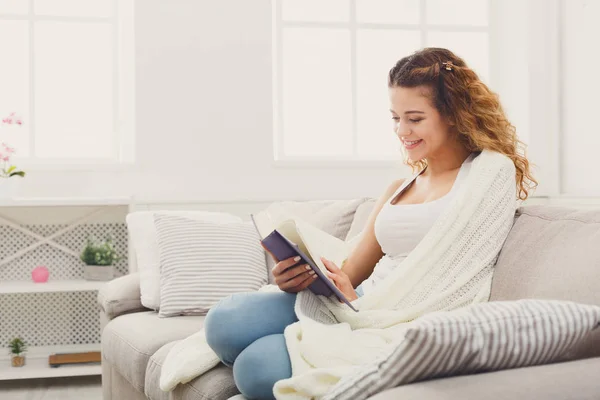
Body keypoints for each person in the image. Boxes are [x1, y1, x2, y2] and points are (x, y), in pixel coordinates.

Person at [203, 47, 537, 400]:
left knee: (255, 368)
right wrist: (303, 276)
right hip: (359, 300)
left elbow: (459, 275)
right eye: (395, 117)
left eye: (415, 118)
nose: (402, 130)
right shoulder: (399, 188)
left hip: (401, 316)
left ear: (453, 114)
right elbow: (352, 274)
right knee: (225, 321)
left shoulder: (488, 172)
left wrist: (363, 310)